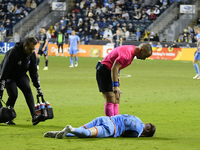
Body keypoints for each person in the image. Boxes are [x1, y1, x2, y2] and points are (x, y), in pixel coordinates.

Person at [96, 44, 152, 116]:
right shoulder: (127, 55)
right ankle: (111, 123)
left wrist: (116, 77)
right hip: (104, 71)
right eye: (144, 56)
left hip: (109, 71)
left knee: (116, 99)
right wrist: (115, 85)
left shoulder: (131, 51)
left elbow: (117, 65)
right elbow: (114, 67)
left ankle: (115, 122)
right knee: (111, 98)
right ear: (141, 50)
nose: (144, 58)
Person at [0, 37, 43, 125]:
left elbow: (33, 72)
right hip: (9, 75)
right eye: (30, 49)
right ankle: (6, 116)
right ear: (24, 46)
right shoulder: (13, 52)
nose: (32, 51)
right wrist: (1, 88)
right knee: (13, 94)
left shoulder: (32, 55)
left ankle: (34, 116)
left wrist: (38, 87)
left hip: (21, 75)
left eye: (33, 49)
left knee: (27, 89)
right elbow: (4, 70)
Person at [44, 114, 156, 139]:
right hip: (111, 128)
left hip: (105, 118)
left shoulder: (137, 118)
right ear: (146, 130)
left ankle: (61, 133)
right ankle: (70, 129)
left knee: (82, 129)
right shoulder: (138, 132)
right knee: (87, 134)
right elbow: (124, 135)